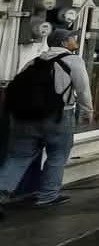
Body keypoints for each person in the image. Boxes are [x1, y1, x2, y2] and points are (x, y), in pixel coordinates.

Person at [0, 29, 92, 208]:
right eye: (72, 38)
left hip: (26, 117)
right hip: (59, 115)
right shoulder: (74, 60)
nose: (75, 40)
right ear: (64, 43)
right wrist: (87, 110)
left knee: (19, 156)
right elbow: (82, 89)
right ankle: (48, 195)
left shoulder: (34, 61)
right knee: (57, 155)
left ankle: (2, 191)